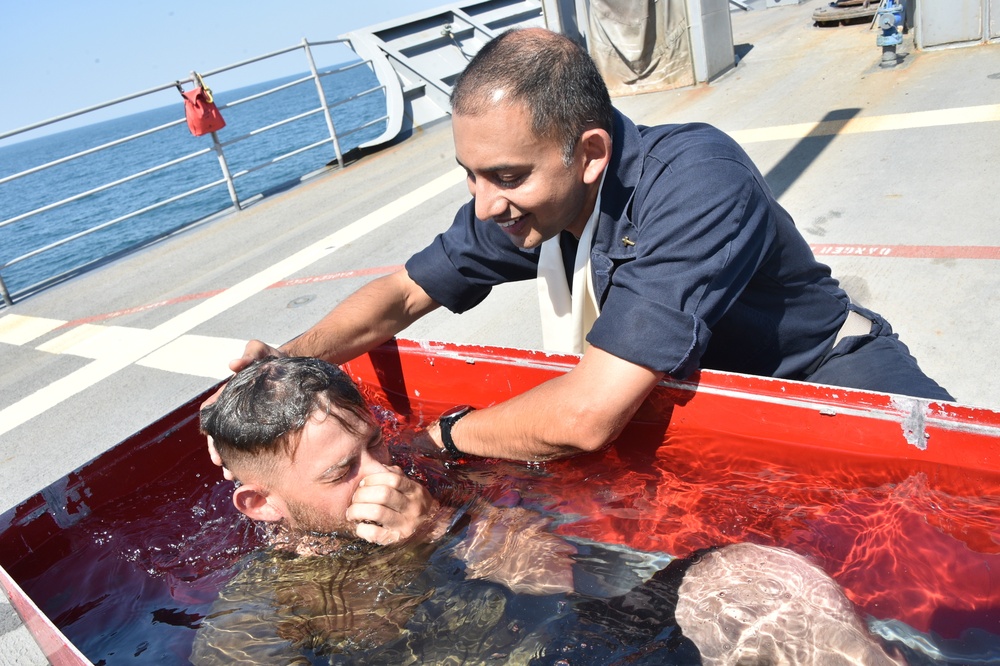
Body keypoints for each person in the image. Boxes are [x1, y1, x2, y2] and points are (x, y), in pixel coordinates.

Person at [216, 28, 951, 465]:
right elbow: (402, 295)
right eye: (470, 175)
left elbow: (585, 417)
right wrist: (289, 364)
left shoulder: (697, 181)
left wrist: (435, 441)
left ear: (590, 154)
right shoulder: (526, 205)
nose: (484, 204)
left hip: (831, 384)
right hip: (694, 404)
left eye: (506, 176)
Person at [193, 356, 907, 665]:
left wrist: (442, 533)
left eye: (377, 446)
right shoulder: (257, 617)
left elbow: (570, 572)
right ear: (260, 504)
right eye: (345, 472)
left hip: (584, 644)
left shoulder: (439, 500)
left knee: (762, 582)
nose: (386, 474)